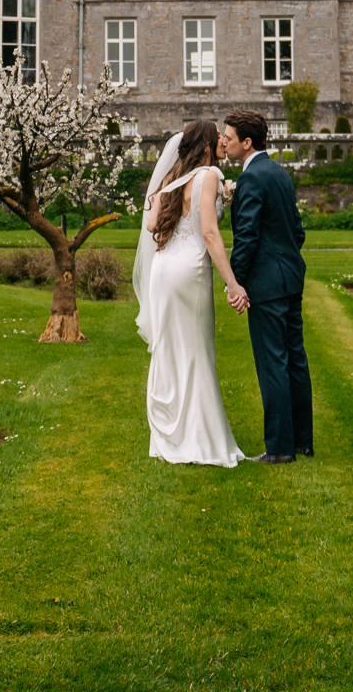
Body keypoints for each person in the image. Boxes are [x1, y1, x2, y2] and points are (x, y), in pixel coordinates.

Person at [134, 120, 249, 466]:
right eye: (217, 139)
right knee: (197, 349)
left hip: (163, 268)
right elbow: (211, 235)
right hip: (190, 272)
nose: (221, 143)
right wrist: (233, 283)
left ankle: (168, 432)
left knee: (170, 347)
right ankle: (200, 439)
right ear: (204, 145)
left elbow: (152, 224)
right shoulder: (209, 175)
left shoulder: (171, 177)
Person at [219, 109, 312, 463]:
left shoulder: (252, 179)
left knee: (273, 362)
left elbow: (246, 238)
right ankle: (303, 440)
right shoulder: (279, 173)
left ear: (247, 142)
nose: (223, 142)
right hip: (291, 278)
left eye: (228, 137)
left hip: (267, 284)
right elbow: (297, 232)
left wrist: (235, 283)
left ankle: (278, 449)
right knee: (295, 359)